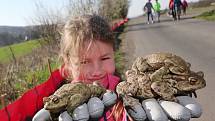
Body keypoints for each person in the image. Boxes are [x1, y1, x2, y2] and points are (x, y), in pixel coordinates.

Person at [0, 14, 202, 121]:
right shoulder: (53, 100)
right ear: (67, 65)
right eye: (84, 61)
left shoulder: (126, 89)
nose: (97, 70)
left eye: (105, 58)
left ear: (114, 54)